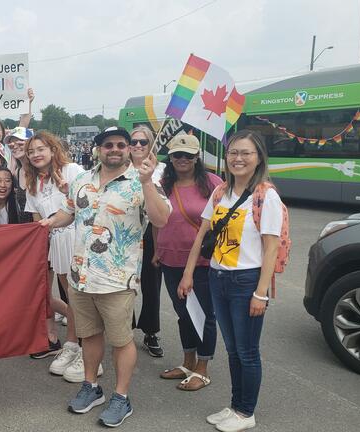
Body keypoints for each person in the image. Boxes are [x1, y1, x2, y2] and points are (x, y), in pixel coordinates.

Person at [41, 126, 170, 428]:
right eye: (108, 144)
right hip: (80, 276)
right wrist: (47, 223)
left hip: (116, 280)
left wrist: (148, 181)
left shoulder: (143, 181)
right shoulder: (82, 181)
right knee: (90, 335)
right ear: (98, 148)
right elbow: (68, 213)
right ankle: (91, 387)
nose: (115, 149)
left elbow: (162, 219)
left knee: (122, 341)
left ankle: (121, 398)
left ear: (128, 149)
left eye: (121, 145)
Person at [179, 130, 282, 432]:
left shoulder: (266, 196)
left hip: (246, 281)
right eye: (233, 152)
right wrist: (188, 272)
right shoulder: (221, 192)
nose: (238, 158)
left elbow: (271, 247)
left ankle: (246, 412)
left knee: (247, 351)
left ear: (258, 157)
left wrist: (260, 293)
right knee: (233, 349)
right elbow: (202, 233)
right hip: (217, 277)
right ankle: (236, 406)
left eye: (246, 153)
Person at [156, 135, 222, 391]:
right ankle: (187, 362)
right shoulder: (163, 184)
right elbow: (156, 219)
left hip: (202, 262)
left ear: (197, 158)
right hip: (169, 259)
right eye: (177, 155)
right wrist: (155, 250)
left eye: (188, 155)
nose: (182, 159)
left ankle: (202, 368)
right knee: (183, 314)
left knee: (204, 316)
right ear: (170, 158)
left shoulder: (214, 184)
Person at [22, 131, 83, 376]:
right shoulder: (31, 184)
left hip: (79, 239)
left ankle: (87, 351)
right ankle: (73, 345)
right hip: (57, 244)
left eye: (40, 149)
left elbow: (88, 204)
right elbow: (37, 224)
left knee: (82, 300)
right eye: (31, 151)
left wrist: (69, 190)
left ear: (52, 149)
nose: (36, 154)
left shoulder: (72, 170)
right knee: (72, 299)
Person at [129, 125, 166, 358]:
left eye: (143, 142)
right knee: (125, 287)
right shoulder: (121, 168)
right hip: (127, 234)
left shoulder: (161, 169)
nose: (139, 146)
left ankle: (151, 332)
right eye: (134, 142)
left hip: (153, 233)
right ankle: (125, 328)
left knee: (151, 286)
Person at [5, 127, 34, 223]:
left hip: (45, 228)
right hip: (26, 229)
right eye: (11, 145)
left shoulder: (40, 170)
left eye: (20, 142)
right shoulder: (17, 173)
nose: (15, 146)